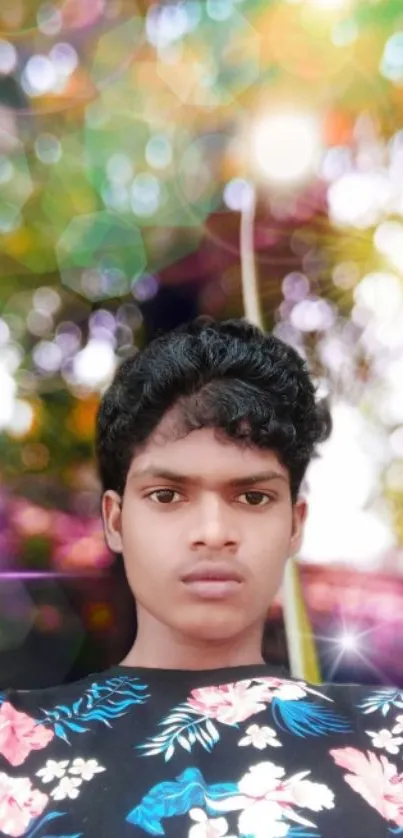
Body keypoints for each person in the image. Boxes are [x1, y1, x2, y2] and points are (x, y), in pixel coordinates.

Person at [0, 317, 401, 838]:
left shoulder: (389, 737)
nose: (213, 532)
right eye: (167, 496)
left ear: (294, 525)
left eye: (252, 497)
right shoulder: (13, 744)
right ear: (115, 521)